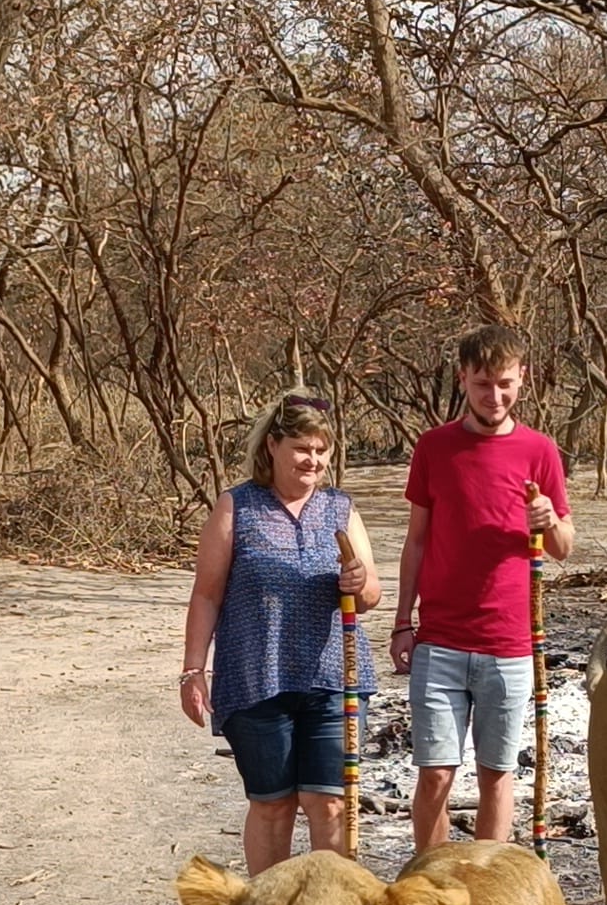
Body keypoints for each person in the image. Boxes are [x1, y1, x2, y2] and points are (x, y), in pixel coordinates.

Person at [180, 391, 381, 874]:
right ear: (273, 446)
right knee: (273, 805)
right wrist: (192, 671)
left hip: (334, 679)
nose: (312, 460)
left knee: (329, 802)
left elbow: (370, 593)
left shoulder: (340, 509)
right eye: (301, 448)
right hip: (256, 678)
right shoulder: (238, 507)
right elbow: (207, 594)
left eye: (321, 450)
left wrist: (360, 583)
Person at [391, 324, 574, 852]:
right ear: (463, 379)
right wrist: (404, 622)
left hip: (511, 643)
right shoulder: (435, 448)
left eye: (505, 384)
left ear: (523, 379)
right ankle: (428, 884)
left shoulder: (540, 452)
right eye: (482, 385)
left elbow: (564, 544)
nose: (494, 396)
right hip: (441, 640)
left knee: (497, 774)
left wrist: (547, 521)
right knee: (435, 775)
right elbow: (417, 542)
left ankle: (488, 889)